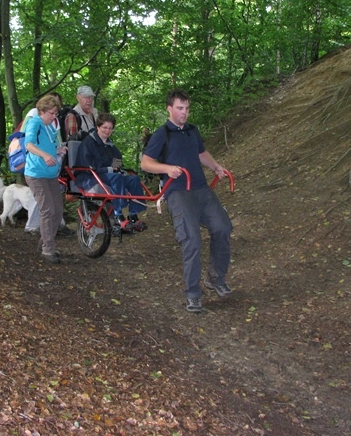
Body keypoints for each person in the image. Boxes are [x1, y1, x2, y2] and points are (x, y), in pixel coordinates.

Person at [141, 89, 233, 313]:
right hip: (179, 192)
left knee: (223, 228)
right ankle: (193, 293)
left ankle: (215, 278)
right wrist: (167, 169)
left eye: (187, 108)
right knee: (191, 239)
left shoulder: (192, 131)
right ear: (169, 109)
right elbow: (145, 163)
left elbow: (201, 153)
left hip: (201, 189)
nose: (185, 113)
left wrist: (216, 167)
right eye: (180, 108)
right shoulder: (162, 134)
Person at [75, 113, 147, 234]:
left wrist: (119, 170)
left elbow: (117, 162)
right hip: (90, 176)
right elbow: (87, 166)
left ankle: (133, 215)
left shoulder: (110, 145)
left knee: (134, 179)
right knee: (116, 177)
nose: (107, 131)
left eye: (110, 128)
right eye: (104, 127)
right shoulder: (88, 143)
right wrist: (109, 170)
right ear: (98, 127)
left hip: (109, 176)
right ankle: (118, 215)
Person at [24, 94, 66, 263]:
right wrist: (45, 155)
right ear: (41, 111)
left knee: (57, 210)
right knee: (47, 209)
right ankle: (48, 250)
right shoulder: (35, 122)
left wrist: (58, 151)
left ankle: (44, 242)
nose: (54, 117)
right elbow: (29, 145)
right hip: (36, 174)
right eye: (51, 113)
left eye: (55, 114)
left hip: (51, 175)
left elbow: (49, 147)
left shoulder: (50, 128)